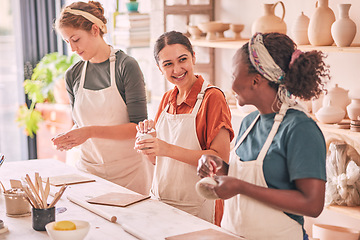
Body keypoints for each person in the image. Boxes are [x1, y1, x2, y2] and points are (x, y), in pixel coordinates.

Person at [197, 32, 330, 240]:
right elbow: (258, 177)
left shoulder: (300, 129)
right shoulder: (249, 123)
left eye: (233, 76)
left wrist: (241, 187)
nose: (231, 85)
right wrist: (221, 168)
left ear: (256, 80)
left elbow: (312, 205)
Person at [51, 1, 153, 195]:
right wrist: (70, 137)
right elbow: (81, 124)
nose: (73, 48)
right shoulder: (73, 75)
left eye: (76, 39)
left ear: (95, 30)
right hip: (89, 172)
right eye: (67, 42)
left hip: (129, 173)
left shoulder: (126, 66)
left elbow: (137, 127)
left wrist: (89, 132)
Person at [134, 31, 234, 223]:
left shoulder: (212, 98)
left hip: (199, 206)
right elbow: (158, 160)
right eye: (168, 64)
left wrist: (166, 148)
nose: (177, 69)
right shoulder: (166, 99)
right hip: (162, 202)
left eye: (182, 59)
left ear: (193, 57)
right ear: (159, 68)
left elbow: (220, 160)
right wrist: (148, 145)